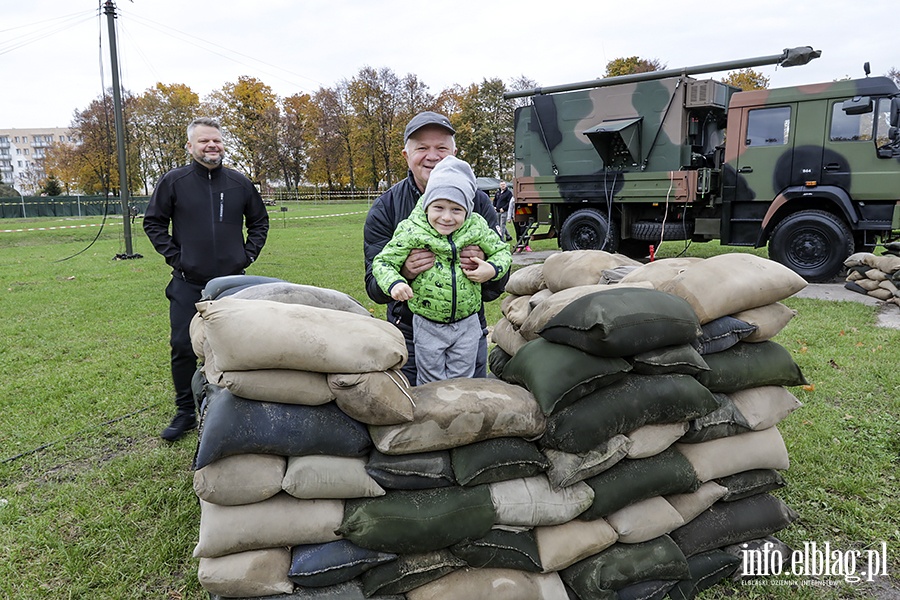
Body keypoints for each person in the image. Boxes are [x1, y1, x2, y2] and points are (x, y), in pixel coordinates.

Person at [143, 117, 270, 441]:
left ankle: (234, 405)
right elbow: (153, 222)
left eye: (216, 141)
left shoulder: (239, 183)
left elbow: (259, 222)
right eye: (204, 141)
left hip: (232, 284)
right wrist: (177, 257)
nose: (211, 146)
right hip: (188, 282)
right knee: (183, 346)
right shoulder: (174, 181)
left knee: (235, 347)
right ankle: (186, 411)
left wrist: (246, 255)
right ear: (190, 146)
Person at [363, 111, 509, 385]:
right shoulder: (387, 208)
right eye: (422, 148)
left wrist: (486, 268)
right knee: (420, 416)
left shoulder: (478, 205)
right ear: (406, 155)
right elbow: (374, 285)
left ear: (454, 152)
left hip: (467, 330)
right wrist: (404, 272)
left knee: (469, 407)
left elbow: (498, 280)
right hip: (409, 333)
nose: (433, 156)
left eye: (441, 148)